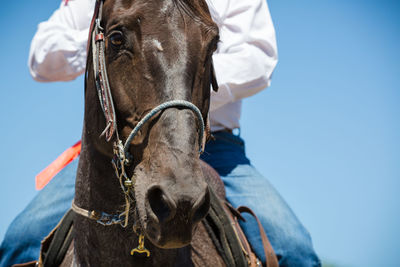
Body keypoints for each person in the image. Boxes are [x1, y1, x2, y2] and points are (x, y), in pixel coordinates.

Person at [0, 0, 321, 266]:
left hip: (215, 146)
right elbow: (40, 57)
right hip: (113, 150)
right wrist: (107, 40)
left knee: (294, 249)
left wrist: (175, 73)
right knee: (21, 241)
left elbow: (258, 60)